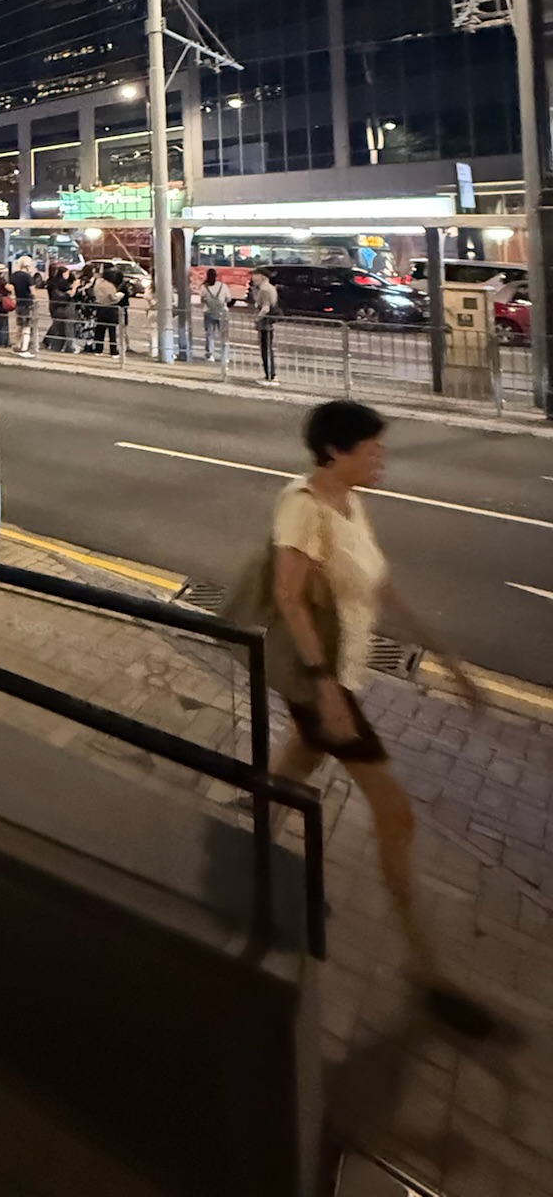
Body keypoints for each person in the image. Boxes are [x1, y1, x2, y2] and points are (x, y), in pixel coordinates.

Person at [268, 401, 488, 1033]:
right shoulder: (304, 507)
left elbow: (381, 585)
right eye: (372, 449)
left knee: (296, 764)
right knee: (396, 815)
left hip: (340, 679)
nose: (381, 458)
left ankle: (251, 835)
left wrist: (450, 662)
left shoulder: (349, 502)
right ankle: (426, 967)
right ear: (337, 452)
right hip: (324, 684)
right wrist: (326, 687)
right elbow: (289, 597)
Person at [251, 268, 279, 381]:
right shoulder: (270, 288)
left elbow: (265, 308)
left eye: (255, 275)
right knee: (267, 348)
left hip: (265, 324)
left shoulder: (265, 290)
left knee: (266, 350)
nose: (253, 278)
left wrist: (257, 319)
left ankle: (270, 374)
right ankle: (270, 374)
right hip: (268, 323)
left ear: (262, 276)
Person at [89, 266, 123, 356]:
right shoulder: (109, 285)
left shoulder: (97, 283)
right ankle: (113, 351)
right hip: (110, 308)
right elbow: (112, 297)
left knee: (100, 330)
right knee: (112, 331)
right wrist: (119, 296)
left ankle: (98, 349)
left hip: (100, 307)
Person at [201, 267, 231, 361]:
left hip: (209, 311)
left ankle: (210, 354)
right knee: (224, 335)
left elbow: (202, 299)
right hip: (222, 312)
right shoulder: (223, 286)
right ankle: (224, 355)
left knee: (209, 334)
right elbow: (228, 298)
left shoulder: (204, 287)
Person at [43, 266, 75, 351]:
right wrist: (74, 287)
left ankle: (50, 342)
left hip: (53, 304)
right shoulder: (62, 284)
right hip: (62, 306)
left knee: (56, 324)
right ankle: (50, 341)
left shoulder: (51, 282)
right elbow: (69, 294)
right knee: (60, 326)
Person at [11, 257, 36, 355]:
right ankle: (24, 347)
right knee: (27, 326)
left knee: (19, 325)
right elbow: (33, 291)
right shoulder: (28, 277)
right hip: (27, 303)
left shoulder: (14, 275)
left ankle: (17, 344)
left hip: (18, 302)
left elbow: (11, 288)